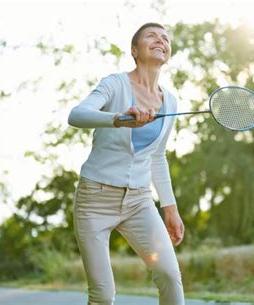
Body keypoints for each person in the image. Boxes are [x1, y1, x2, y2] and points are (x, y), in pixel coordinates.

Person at [68, 23, 184, 305]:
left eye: (165, 38)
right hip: (95, 200)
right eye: (151, 36)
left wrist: (170, 208)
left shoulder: (171, 101)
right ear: (135, 50)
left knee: (169, 275)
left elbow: (157, 156)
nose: (160, 40)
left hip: (139, 202)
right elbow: (76, 115)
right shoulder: (114, 84)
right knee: (103, 295)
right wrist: (117, 118)